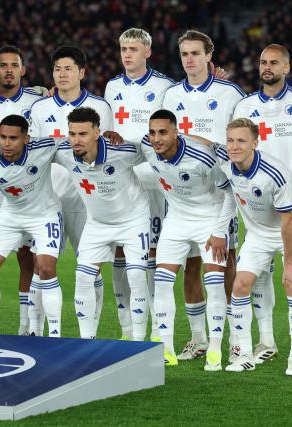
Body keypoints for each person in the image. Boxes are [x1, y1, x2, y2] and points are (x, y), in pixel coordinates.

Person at [232, 44, 292, 366]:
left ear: (287, 67)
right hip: (257, 213)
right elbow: (234, 143)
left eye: (274, 62)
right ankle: (266, 341)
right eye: (262, 62)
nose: (267, 67)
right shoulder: (244, 105)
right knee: (257, 277)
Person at [162, 30, 245, 360]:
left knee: (227, 265)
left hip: (221, 195)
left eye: (196, 53)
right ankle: (198, 339)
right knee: (191, 266)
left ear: (209, 56)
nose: (190, 60)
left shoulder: (229, 94)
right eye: (185, 54)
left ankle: (236, 338)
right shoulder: (170, 96)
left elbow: (244, 137)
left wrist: (211, 146)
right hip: (184, 197)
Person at [138, 110, 235, 368]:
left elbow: (230, 194)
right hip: (177, 219)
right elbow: (125, 149)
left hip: (209, 218)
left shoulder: (202, 158)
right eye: (152, 132)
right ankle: (167, 349)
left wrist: (218, 231)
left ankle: (215, 349)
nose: (156, 139)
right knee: (161, 282)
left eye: (163, 132)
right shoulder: (147, 147)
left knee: (214, 283)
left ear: (175, 133)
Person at [29, 46, 114, 336]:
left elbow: (107, 155)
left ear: (82, 72)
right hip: (48, 200)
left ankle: (89, 333)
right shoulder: (40, 109)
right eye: (57, 69)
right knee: (41, 266)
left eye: (68, 68)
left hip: (86, 200)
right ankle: (35, 332)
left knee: (91, 267)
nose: (62, 74)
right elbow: (34, 157)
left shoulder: (100, 108)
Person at [213, 118, 292, 376]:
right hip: (257, 234)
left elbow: (287, 220)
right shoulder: (227, 165)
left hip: (290, 229)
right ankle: (244, 354)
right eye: (230, 140)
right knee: (240, 285)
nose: (234, 146)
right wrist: (218, 230)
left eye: (241, 141)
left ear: (255, 143)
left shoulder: (274, 173)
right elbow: (229, 198)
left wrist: (289, 263)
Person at [53, 107, 150, 340]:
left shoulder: (122, 151)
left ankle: (137, 341)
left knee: (136, 276)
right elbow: (31, 145)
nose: (76, 140)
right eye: (72, 133)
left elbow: (154, 148)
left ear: (97, 133)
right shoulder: (63, 152)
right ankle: (87, 341)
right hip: (97, 224)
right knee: (84, 277)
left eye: (83, 134)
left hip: (133, 220)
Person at [104, 27, 174, 342]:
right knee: (122, 252)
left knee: (156, 254)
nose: (128, 54)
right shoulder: (111, 87)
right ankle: (128, 327)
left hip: (157, 181)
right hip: (123, 183)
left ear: (147, 52)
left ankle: (160, 328)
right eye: (123, 49)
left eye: (134, 48)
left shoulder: (165, 87)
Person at [0, 45, 43, 335]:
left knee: (28, 258)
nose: (9, 70)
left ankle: (26, 326)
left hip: (27, 193)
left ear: (23, 70)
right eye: (3, 65)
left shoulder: (37, 101)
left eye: (14, 65)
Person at [0, 115, 64, 337]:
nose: (6, 143)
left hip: (45, 214)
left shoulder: (43, 146)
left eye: (13, 138)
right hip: (11, 214)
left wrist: (105, 138)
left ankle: (54, 335)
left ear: (26, 138)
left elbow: (75, 142)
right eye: (2, 137)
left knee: (45, 268)